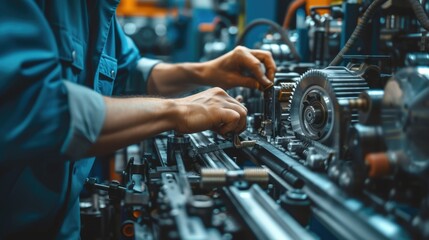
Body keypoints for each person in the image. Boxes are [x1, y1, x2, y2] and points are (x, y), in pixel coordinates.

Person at [0, 0, 276, 239]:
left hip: (62, 226)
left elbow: (128, 71)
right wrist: (176, 111)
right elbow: (32, 108)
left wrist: (204, 72)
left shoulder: (96, 8)